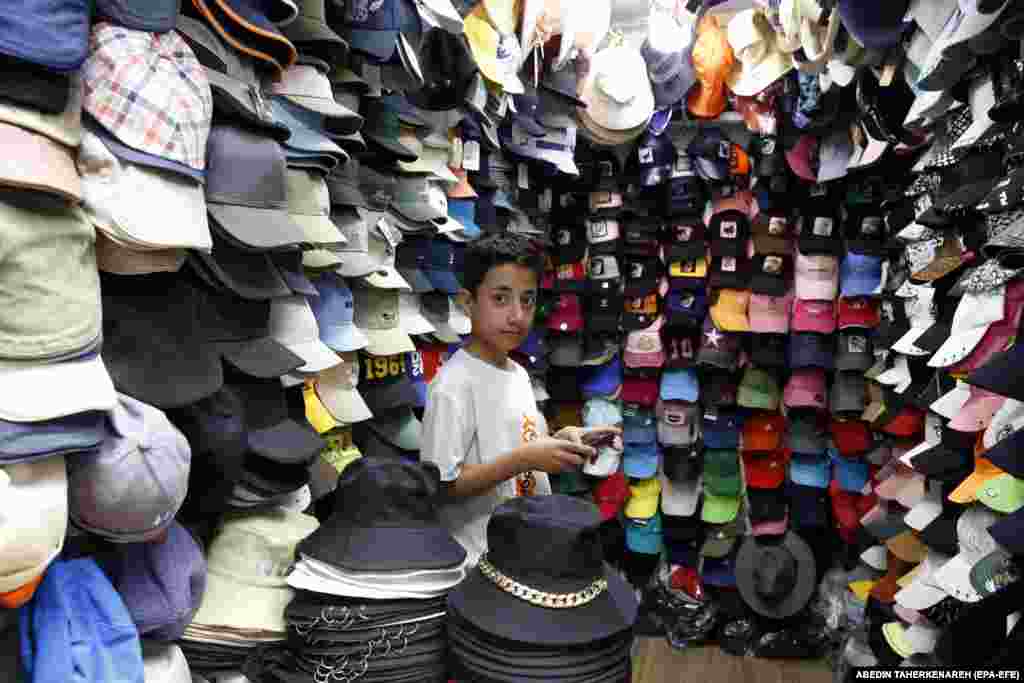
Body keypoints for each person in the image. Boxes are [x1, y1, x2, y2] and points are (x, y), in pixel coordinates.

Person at [420, 233, 620, 564]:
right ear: (467, 302)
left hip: (524, 549)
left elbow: (516, 443)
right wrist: (526, 459)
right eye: (501, 299)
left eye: (527, 300)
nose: (517, 315)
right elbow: (441, 487)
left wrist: (561, 440)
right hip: (478, 561)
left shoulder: (517, 372)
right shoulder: (454, 384)